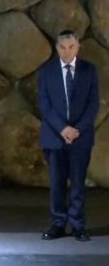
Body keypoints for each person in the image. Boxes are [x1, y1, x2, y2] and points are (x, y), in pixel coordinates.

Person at [38, 29, 99, 242]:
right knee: (56, 183)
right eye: (62, 47)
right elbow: (44, 104)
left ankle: (78, 224)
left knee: (78, 183)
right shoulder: (47, 72)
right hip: (55, 137)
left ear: (78, 47)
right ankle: (57, 223)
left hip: (80, 138)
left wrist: (77, 130)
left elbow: (93, 105)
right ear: (57, 48)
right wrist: (62, 129)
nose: (67, 51)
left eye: (71, 47)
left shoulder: (89, 71)